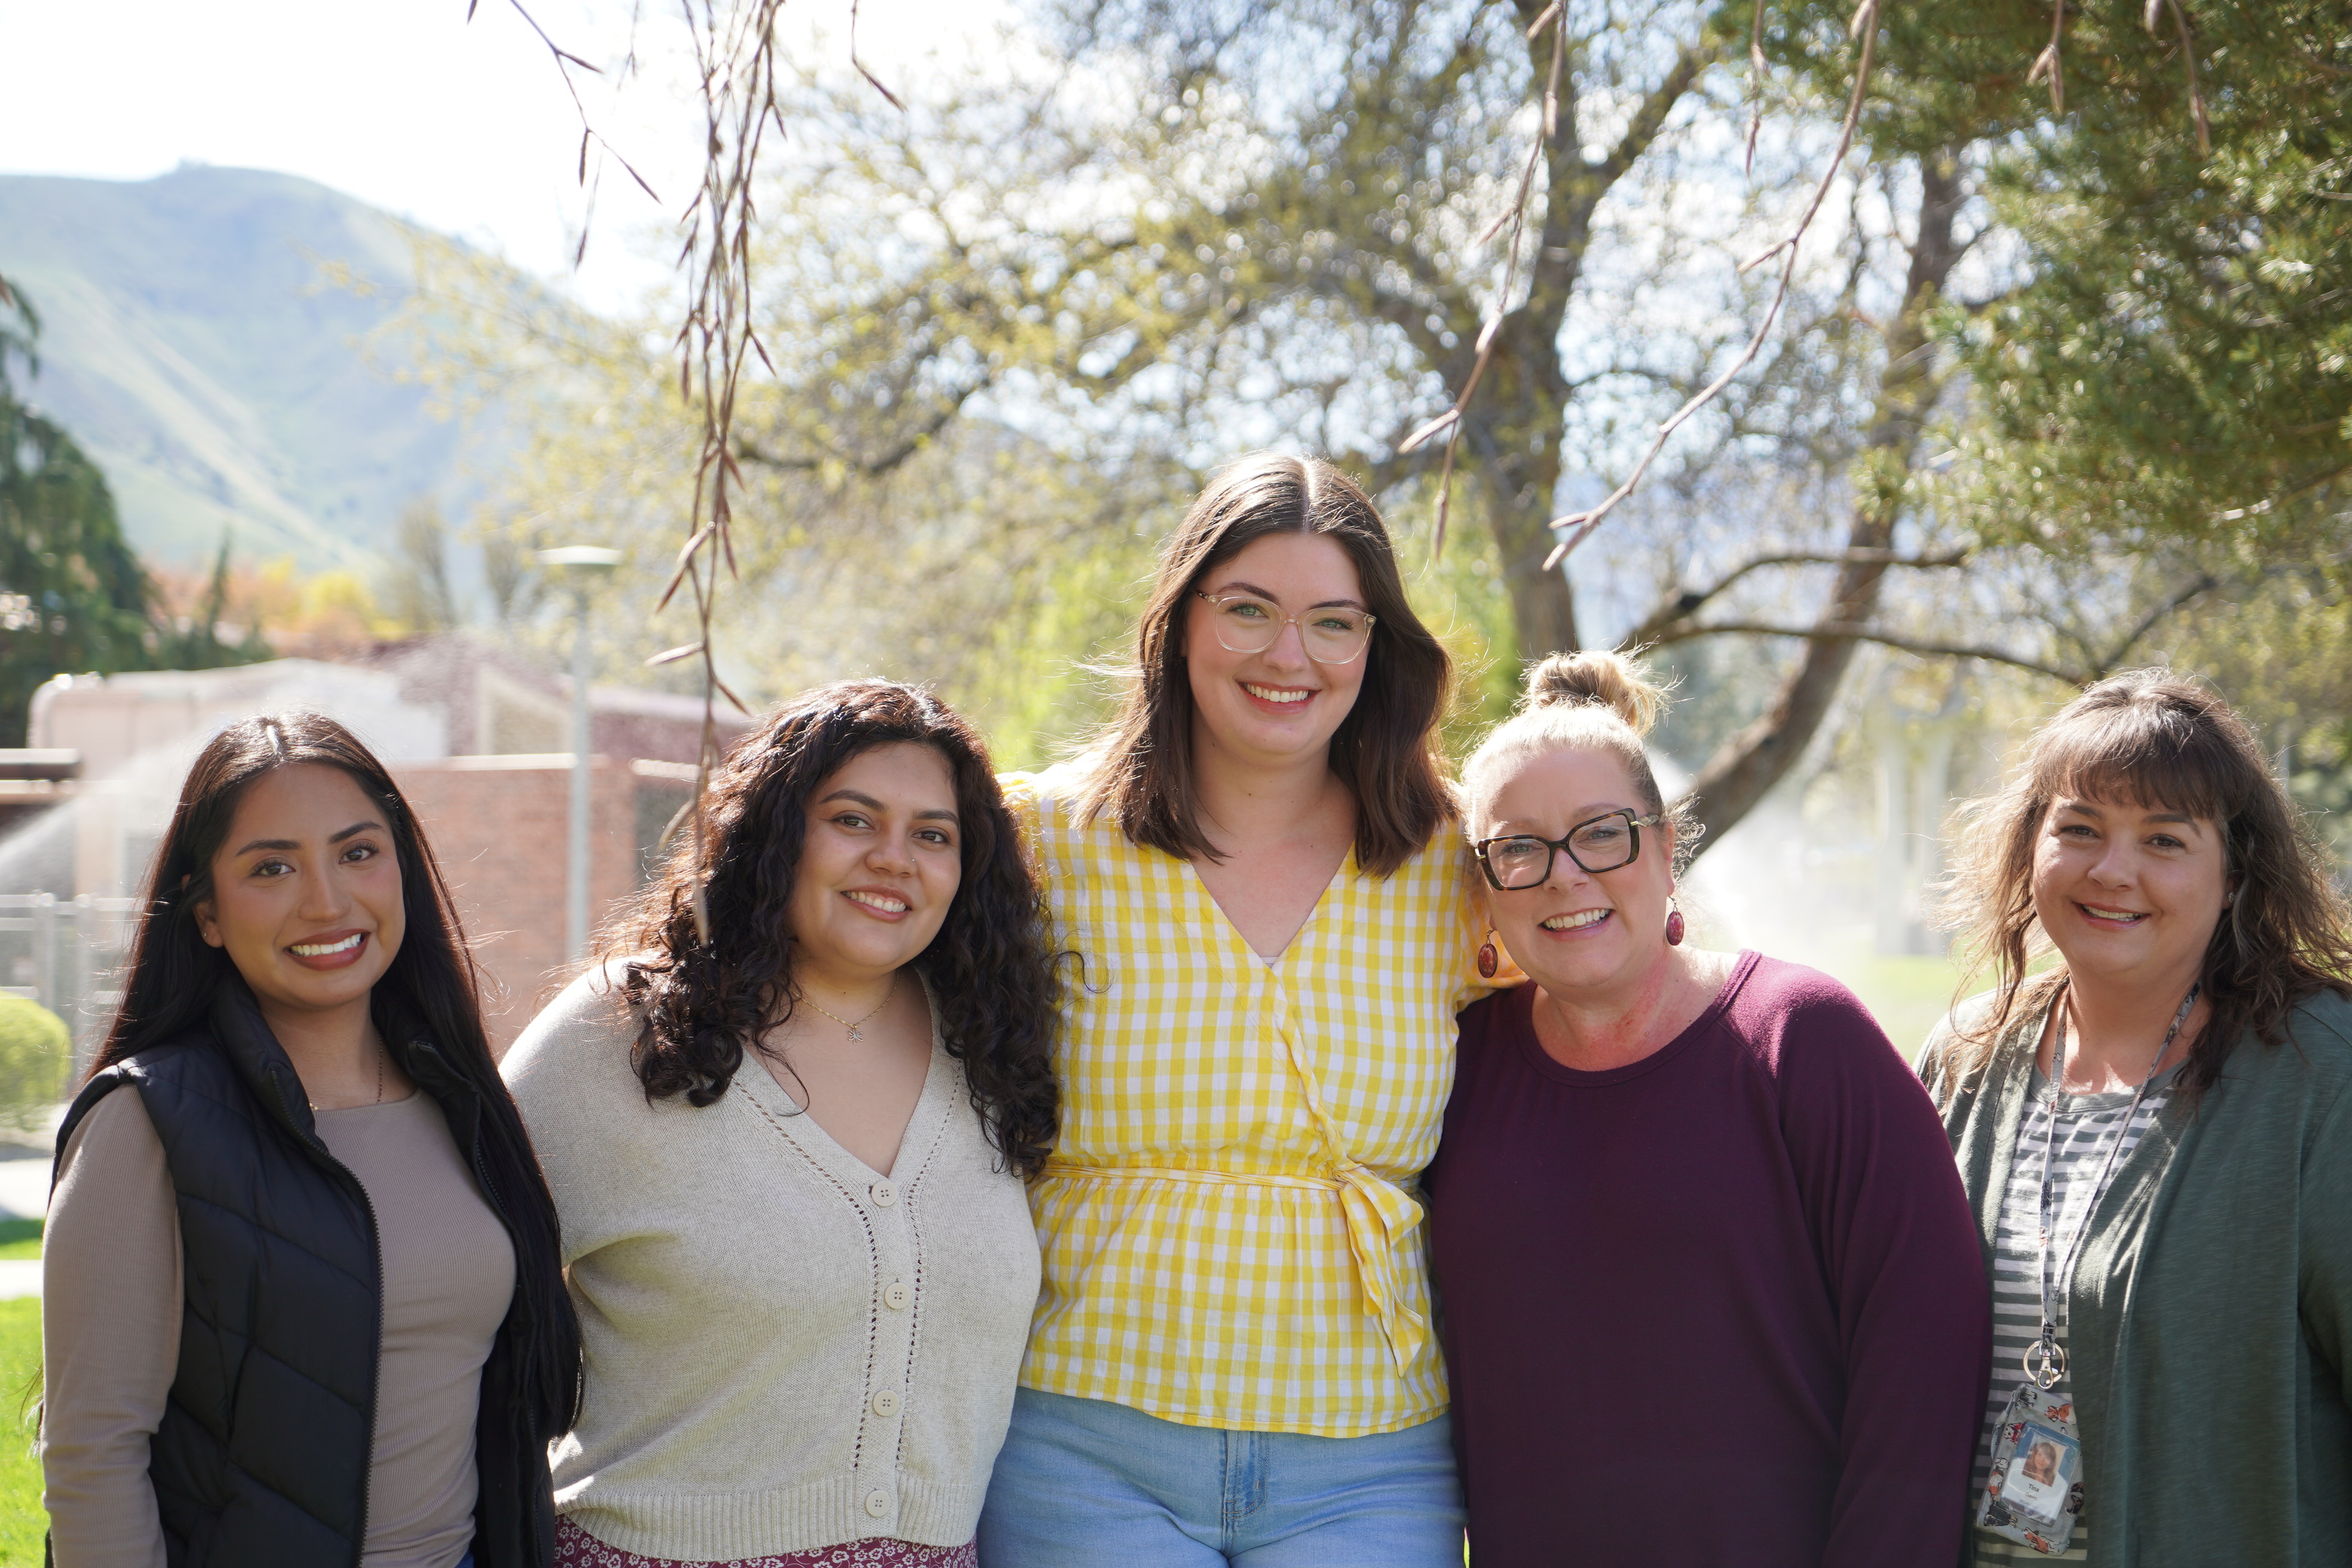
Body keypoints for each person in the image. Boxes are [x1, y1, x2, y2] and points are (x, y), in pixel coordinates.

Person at [976, 453, 1493, 1565]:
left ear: (1376, 646)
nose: (1289, 656)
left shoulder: (1457, 863)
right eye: (1248, 610)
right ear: (1179, 624)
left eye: (1333, 622)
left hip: (1373, 1457)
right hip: (1082, 1441)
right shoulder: (1040, 845)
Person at [1424, 651, 1989, 1567]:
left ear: (1664, 845)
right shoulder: (1459, 1070)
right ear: (1483, 887)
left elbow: (1925, 1347)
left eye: (1601, 833)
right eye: (1518, 848)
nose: (1564, 876)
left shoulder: (1801, 1038)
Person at [503, 681, 1058, 1568]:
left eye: (933, 835)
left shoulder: (991, 1048)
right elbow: (446, 1278)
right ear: (776, 835)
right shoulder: (625, 1034)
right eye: (852, 819)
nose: (894, 858)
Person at [41, 712, 582, 1568]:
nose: (327, 901)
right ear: (207, 912)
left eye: (358, 852)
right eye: (272, 867)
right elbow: (93, 1456)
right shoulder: (147, 1124)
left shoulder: (463, 1101)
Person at [1922, 669, 2352, 1565]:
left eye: (2164, 839)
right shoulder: (1966, 1057)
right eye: (2079, 828)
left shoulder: (2323, 1076)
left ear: (2235, 873)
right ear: (2031, 843)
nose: (2112, 871)